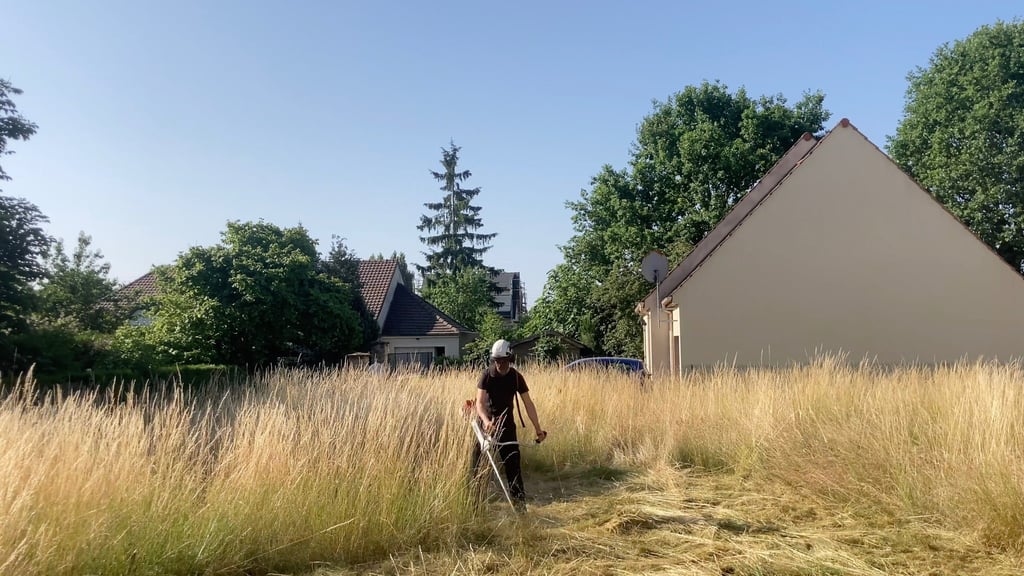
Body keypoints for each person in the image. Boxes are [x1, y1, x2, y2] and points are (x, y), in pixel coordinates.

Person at [471, 339, 546, 512]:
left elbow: (528, 404)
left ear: (510, 359)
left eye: (504, 361)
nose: (500, 364)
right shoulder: (486, 376)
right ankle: (476, 509)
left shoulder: (516, 377)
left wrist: (538, 428)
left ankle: (520, 510)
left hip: (507, 429)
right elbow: (480, 403)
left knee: (514, 469)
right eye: (497, 360)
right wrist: (487, 421)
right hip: (486, 429)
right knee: (479, 469)